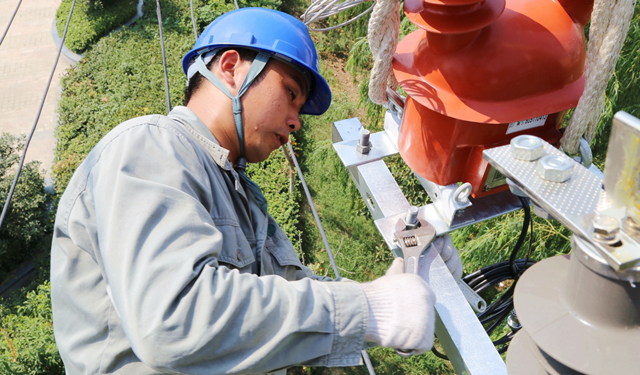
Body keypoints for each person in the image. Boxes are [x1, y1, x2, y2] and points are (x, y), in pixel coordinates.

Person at [50, 7, 463, 375]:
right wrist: (370, 311)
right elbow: (175, 319)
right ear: (231, 67)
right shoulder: (149, 147)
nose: (296, 121)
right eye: (290, 94)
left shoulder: (238, 196)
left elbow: (282, 296)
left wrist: (402, 282)